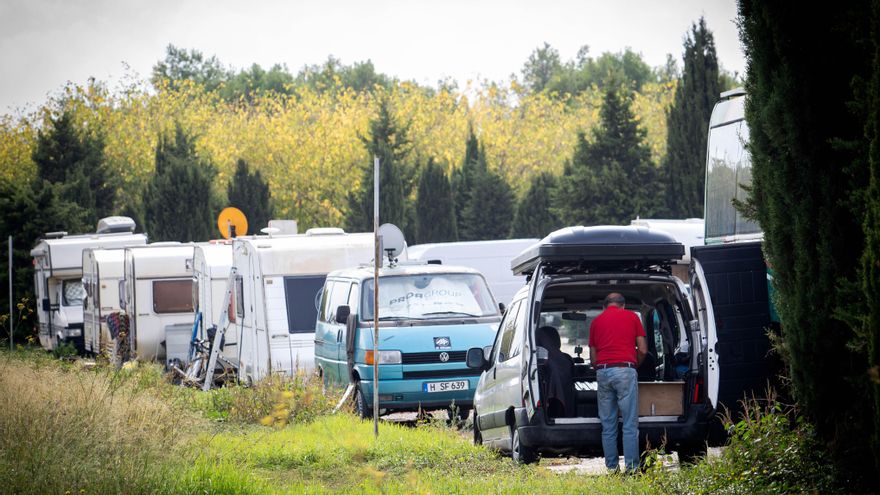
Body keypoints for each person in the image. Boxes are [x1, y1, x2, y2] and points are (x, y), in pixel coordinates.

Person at [588, 292, 648, 473]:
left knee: (608, 424)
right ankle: (632, 469)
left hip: (603, 372)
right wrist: (633, 365)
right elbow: (643, 350)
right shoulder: (632, 317)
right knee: (629, 423)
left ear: (605, 306)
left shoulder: (596, 322)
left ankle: (612, 469)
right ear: (623, 305)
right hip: (625, 369)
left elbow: (592, 358)